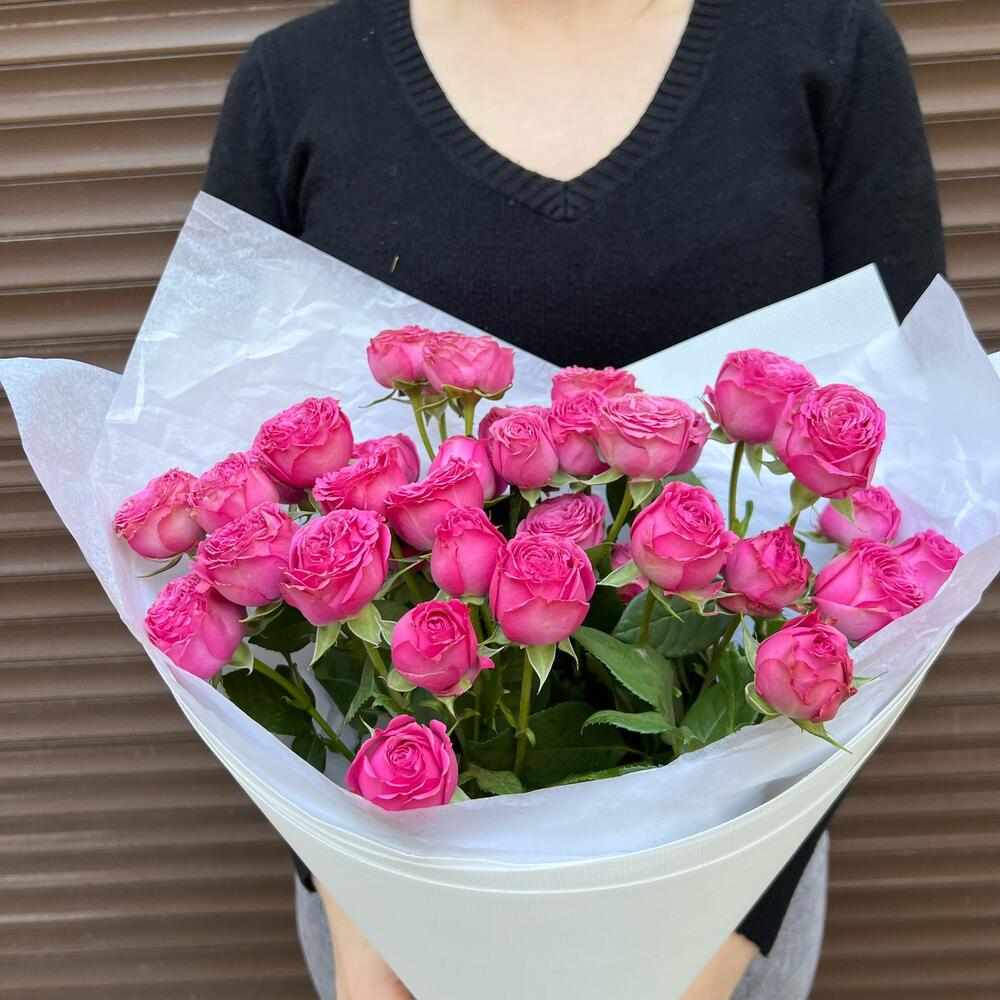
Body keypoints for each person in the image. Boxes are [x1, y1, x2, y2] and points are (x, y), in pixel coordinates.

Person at [203, 1, 945, 996]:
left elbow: (903, 516)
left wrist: (716, 950)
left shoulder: (826, 53)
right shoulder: (296, 85)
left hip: (734, 891)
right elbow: (243, 511)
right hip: (384, 891)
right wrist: (365, 923)